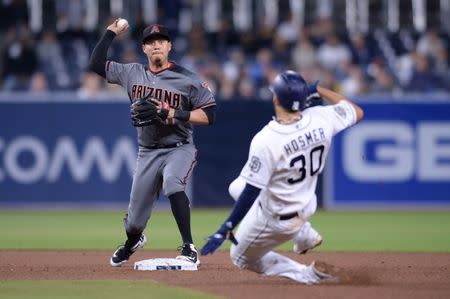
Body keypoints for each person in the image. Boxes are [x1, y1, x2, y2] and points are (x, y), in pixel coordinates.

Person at [201, 70, 363, 284]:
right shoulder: (321, 117)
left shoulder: (268, 139)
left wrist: (225, 229)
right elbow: (357, 112)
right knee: (236, 187)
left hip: (278, 218)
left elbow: (252, 192)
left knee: (239, 257)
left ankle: (308, 275)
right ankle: (304, 233)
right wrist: (319, 89)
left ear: (276, 98)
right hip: (306, 204)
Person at [88, 20, 216, 267]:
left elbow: (209, 115)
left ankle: (189, 246)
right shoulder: (131, 73)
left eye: (160, 41)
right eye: (150, 42)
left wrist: (175, 113)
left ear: (169, 46)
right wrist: (110, 33)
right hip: (146, 152)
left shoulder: (187, 79)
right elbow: (95, 65)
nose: (156, 45)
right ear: (144, 49)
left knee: (173, 184)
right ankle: (132, 241)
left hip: (179, 146)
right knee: (134, 222)